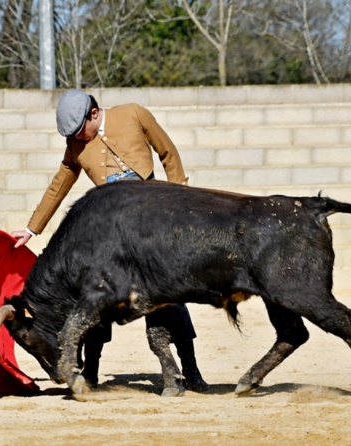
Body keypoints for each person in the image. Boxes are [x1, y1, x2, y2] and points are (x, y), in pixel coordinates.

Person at [12, 89, 208, 392]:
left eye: (80, 132)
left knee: (168, 293)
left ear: (94, 114)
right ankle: (91, 371)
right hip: (112, 227)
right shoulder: (75, 144)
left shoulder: (133, 113)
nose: (78, 139)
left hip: (151, 219)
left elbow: (168, 152)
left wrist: (181, 198)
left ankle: (191, 370)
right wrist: (32, 229)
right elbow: (59, 183)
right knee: (95, 293)